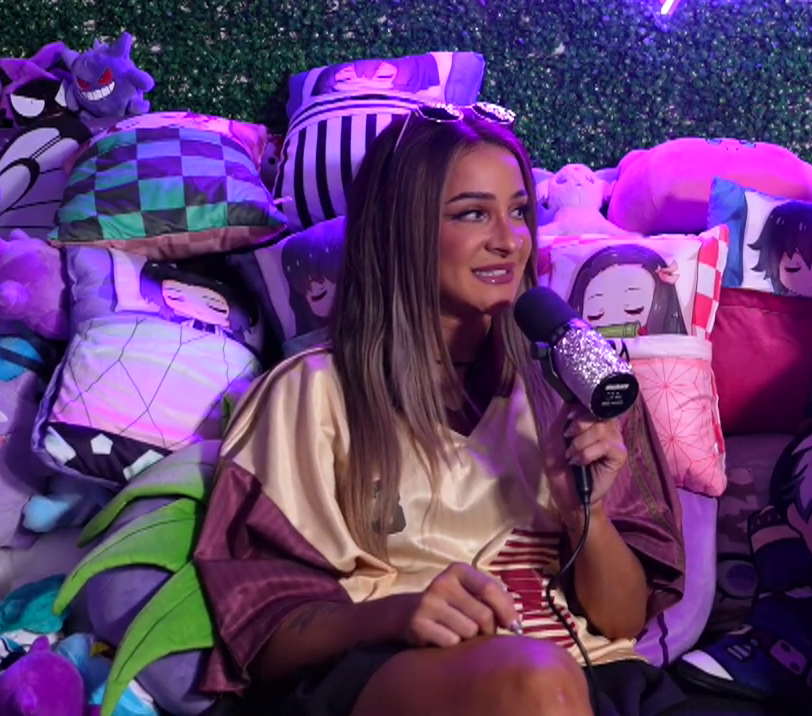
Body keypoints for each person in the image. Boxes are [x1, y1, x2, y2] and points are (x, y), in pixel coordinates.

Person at [193, 104, 688, 716]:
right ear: (399, 231)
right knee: (536, 684)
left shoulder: (577, 387)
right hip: (389, 672)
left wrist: (582, 511)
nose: (509, 241)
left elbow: (622, 622)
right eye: (473, 213)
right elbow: (264, 638)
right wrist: (397, 613)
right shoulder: (310, 394)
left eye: (519, 211)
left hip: (594, 679)